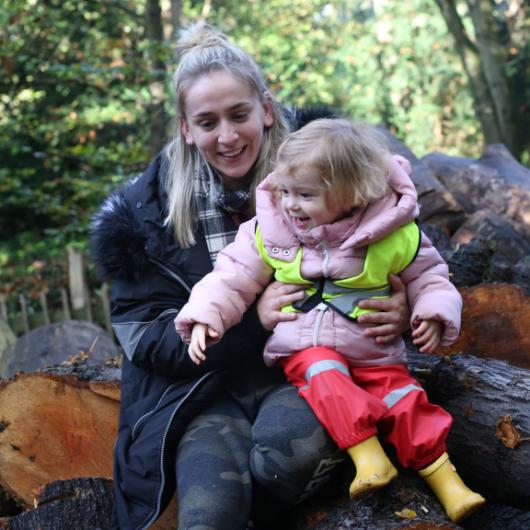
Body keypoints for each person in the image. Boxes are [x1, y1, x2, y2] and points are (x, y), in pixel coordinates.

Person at [91, 23, 411, 530]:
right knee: (208, 513)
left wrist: (405, 307)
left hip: (312, 370)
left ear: (265, 107)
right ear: (185, 128)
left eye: (239, 114)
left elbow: (411, 254)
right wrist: (251, 322)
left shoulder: (335, 166)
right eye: (207, 121)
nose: (227, 136)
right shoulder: (143, 215)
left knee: (284, 465)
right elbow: (144, 337)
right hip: (204, 392)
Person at [174, 118, 486, 523]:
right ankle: (368, 454)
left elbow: (428, 276)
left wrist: (430, 310)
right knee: (323, 373)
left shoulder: (392, 234)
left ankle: (449, 482)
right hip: (305, 344)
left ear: (352, 193)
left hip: (374, 349)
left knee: (404, 400)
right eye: (284, 191)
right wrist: (205, 315)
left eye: (304, 195)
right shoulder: (271, 231)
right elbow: (232, 275)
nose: (289, 204)